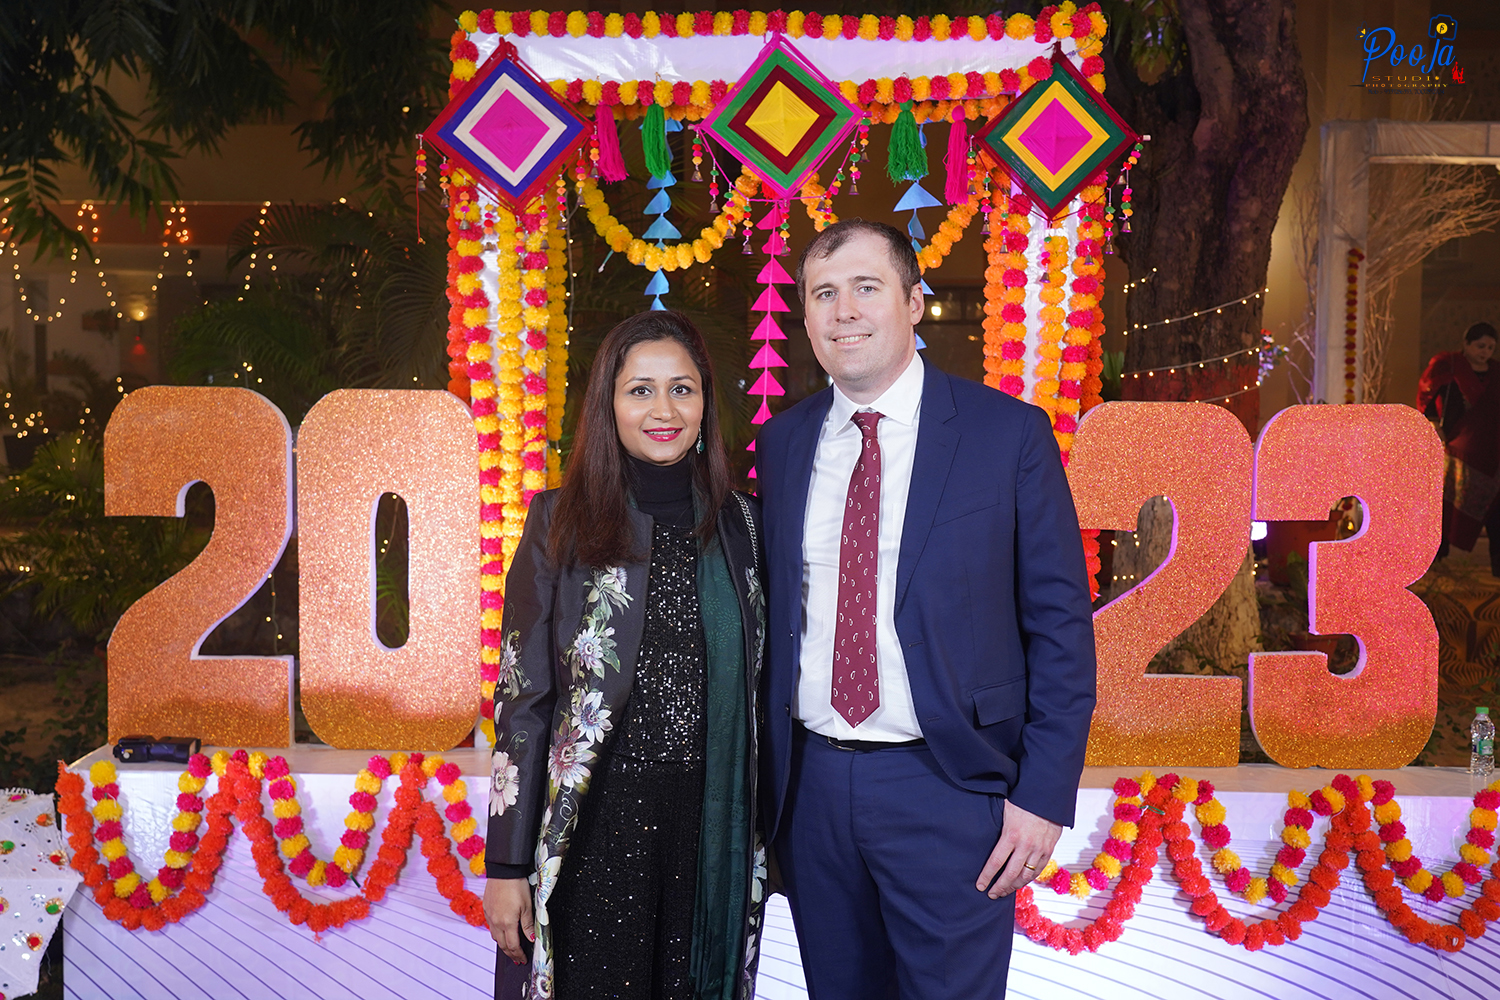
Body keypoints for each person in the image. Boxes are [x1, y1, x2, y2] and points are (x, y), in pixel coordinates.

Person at [756, 220, 1097, 999]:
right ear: (804, 317)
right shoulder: (783, 444)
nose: (844, 311)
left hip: (951, 789)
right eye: (823, 294)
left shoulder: (1006, 435)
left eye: (865, 288)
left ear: (913, 303)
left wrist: (1043, 796)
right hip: (811, 792)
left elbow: (1059, 629)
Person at [483, 310, 767, 1000]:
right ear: (608, 405)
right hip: (593, 826)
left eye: (682, 389)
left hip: (708, 828)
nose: (663, 410)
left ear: (706, 402)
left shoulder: (746, 524)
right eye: (640, 390)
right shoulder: (559, 520)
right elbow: (524, 702)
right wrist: (506, 865)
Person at [1418, 321, 1500, 571]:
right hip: (1455, 450)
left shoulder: (1496, 372)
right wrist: (1434, 425)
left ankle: (1497, 565)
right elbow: (1427, 399)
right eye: (1480, 346)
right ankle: (1437, 560)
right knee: (1445, 505)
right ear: (1466, 344)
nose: (1485, 352)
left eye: (1490, 347)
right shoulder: (1449, 366)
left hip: (1491, 452)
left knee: (1494, 507)